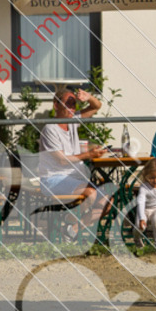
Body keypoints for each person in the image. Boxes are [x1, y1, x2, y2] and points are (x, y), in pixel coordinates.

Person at [38, 88, 109, 229]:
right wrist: (89, 154)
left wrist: (88, 97)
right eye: (68, 104)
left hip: (74, 178)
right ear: (56, 105)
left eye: (74, 104)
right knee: (91, 194)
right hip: (53, 179)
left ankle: (73, 229)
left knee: (109, 200)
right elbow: (62, 160)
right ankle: (68, 218)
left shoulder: (72, 121)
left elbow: (97, 106)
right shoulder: (50, 129)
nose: (71, 108)